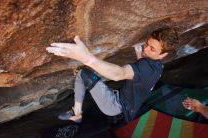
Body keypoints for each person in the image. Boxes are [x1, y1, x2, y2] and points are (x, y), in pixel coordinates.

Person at [46, 27, 179, 123]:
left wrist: (86, 58)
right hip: (125, 105)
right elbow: (142, 70)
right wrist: (140, 55)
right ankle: (77, 113)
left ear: (163, 54)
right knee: (84, 75)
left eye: (152, 49)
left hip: (115, 105)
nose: (146, 49)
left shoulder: (146, 68)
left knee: (83, 73)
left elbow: (119, 74)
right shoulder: (158, 66)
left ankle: (76, 113)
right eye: (147, 44)